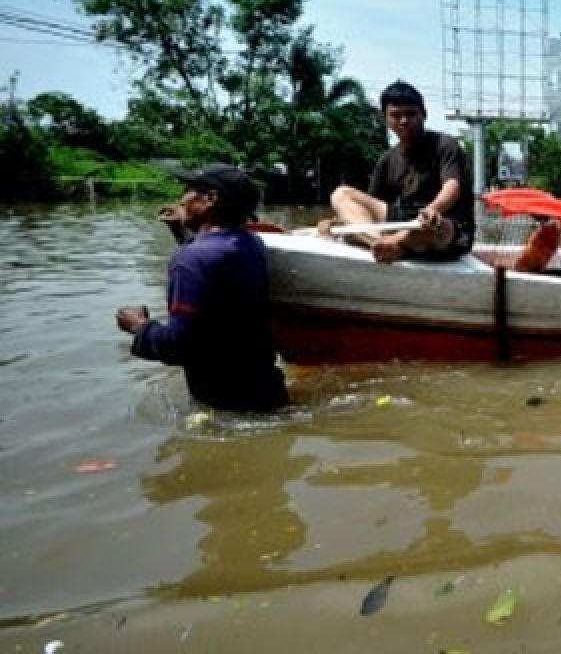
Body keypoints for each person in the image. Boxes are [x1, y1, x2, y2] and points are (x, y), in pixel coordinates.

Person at [115, 164, 289, 412]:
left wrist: (139, 326)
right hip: (268, 394)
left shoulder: (190, 260)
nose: (181, 198)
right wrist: (183, 230)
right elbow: (215, 273)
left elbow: (178, 346)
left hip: (227, 409)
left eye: (188, 190)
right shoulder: (251, 243)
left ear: (209, 199)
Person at [323, 81, 473, 263]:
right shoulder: (387, 160)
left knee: (435, 229)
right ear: (385, 118)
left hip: (441, 224)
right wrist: (338, 222)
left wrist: (432, 210)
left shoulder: (445, 145)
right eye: (395, 115)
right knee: (342, 194)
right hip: (403, 222)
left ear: (423, 114)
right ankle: (383, 244)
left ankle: (393, 245)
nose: (403, 121)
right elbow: (370, 207)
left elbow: (453, 187)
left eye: (410, 114)